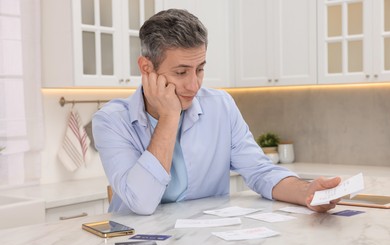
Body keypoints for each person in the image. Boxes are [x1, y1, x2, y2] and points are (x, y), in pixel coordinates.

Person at [92, 9, 341, 215]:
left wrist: (306, 192)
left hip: (205, 243)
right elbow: (142, 203)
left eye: (199, 69)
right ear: (146, 68)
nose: (194, 84)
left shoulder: (220, 105)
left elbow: (261, 171)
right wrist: (169, 116)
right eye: (181, 72)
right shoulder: (112, 121)